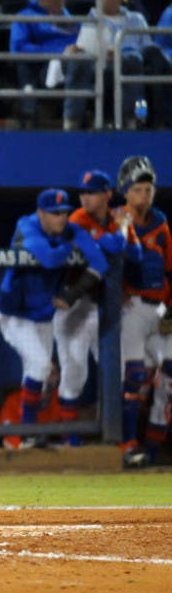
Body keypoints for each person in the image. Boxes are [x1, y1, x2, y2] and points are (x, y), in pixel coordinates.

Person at [0, 188, 108, 445]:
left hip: (44, 313)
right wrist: (71, 246)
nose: (61, 218)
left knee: (34, 369)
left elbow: (100, 263)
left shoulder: (70, 229)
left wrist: (72, 295)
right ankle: (28, 429)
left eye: (64, 213)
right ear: (41, 213)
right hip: (14, 313)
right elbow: (47, 258)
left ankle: (28, 435)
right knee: (41, 366)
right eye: (55, 214)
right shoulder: (26, 225)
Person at [53, 170, 139, 446]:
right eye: (83, 192)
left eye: (92, 192)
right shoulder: (78, 218)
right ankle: (70, 440)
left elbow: (135, 254)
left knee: (119, 371)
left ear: (107, 194)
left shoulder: (116, 218)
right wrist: (124, 228)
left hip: (105, 305)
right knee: (75, 371)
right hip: (74, 305)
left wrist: (124, 230)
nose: (86, 197)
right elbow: (113, 246)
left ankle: (121, 439)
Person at [114, 156, 172, 466]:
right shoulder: (116, 219)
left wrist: (171, 314)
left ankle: (153, 446)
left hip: (160, 309)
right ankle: (128, 446)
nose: (144, 195)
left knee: (169, 376)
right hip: (132, 307)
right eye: (138, 189)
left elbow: (171, 269)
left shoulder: (161, 222)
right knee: (134, 377)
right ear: (125, 191)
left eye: (148, 189)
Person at [64, 0, 163, 130]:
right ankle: (72, 120)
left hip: (130, 62)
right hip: (100, 65)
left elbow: (147, 46)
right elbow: (85, 45)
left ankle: (131, 119)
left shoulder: (136, 19)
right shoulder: (91, 19)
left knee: (133, 59)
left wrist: (120, 51)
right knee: (79, 63)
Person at [8, 0, 80, 127]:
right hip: (45, 70)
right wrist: (61, 53)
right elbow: (19, 49)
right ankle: (72, 120)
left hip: (83, 65)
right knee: (76, 66)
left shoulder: (76, 22)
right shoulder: (25, 17)